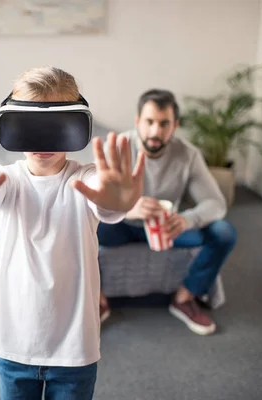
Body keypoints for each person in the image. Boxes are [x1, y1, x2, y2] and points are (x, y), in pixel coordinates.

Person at [0, 66, 145, 400]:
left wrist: (116, 201)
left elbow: (106, 202)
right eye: (30, 126)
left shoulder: (85, 179)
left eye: (56, 126)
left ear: (77, 125)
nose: (43, 140)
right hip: (13, 346)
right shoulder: (4, 179)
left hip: (74, 350)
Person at [97, 89, 237, 335]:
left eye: (164, 124)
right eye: (149, 122)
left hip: (167, 228)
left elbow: (216, 203)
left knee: (224, 232)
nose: (155, 132)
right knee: (78, 227)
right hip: (121, 225)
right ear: (137, 121)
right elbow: (96, 201)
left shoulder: (188, 155)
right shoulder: (118, 147)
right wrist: (127, 208)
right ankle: (97, 300)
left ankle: (184, 297)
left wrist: (186, 220)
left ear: (175, 126)